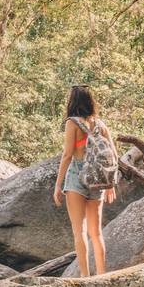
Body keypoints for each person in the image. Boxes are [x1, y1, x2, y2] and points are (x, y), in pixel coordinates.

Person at [53, 85, 116, 276]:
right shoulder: (100, 124)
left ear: (72, 102)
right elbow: (113, 153)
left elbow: (67, 155)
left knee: (79, 231)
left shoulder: (72, 123)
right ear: (90, 101)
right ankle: (103, 275)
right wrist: (110, 184)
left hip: (77, 178)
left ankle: (85, 277)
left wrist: (58, 185)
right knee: (96, 233)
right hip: (98, 179)